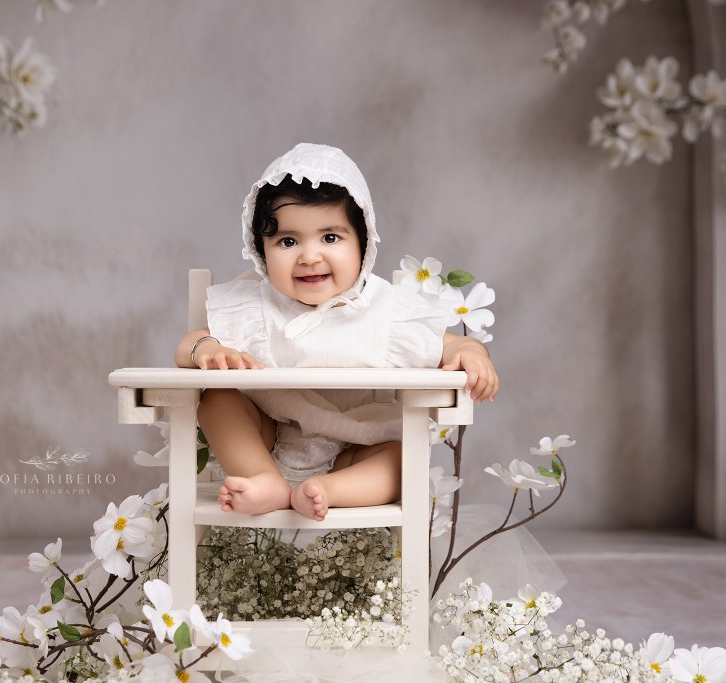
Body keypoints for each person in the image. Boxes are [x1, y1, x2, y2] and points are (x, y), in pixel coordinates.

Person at [174, 143, 498, 521]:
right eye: (287, 241)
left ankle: (328, 490)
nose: (309, 256)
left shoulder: (386, 309)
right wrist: (206, 348)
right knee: (217, 400)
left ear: (363, 243)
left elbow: (448, 343)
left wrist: (472, 351)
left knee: (404, 457)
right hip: (269, 438)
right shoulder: (254, 307)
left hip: (357, 448)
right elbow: (186, 347)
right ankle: (266, 481)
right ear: (261, 251)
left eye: (330, 238)